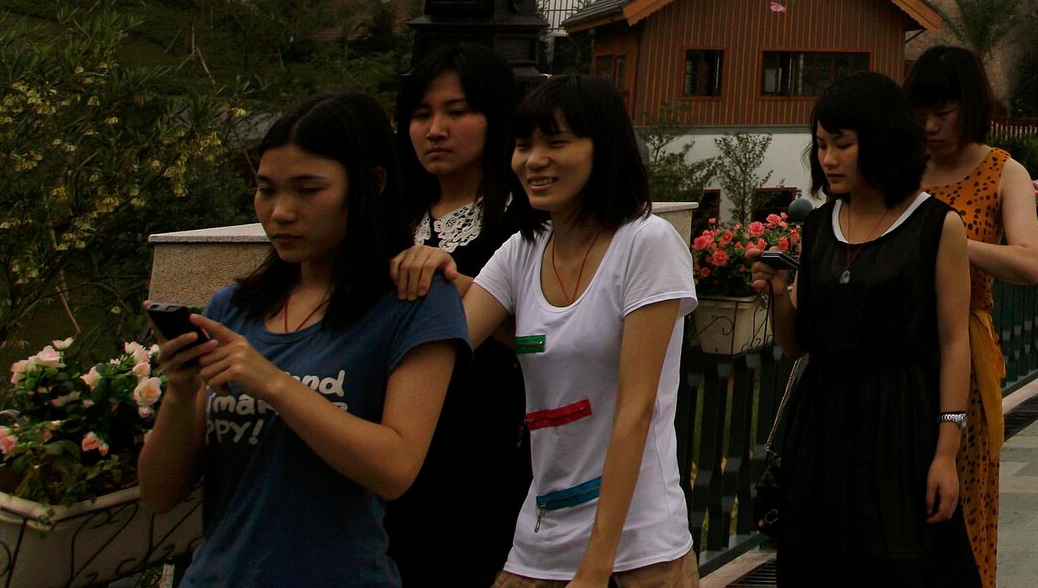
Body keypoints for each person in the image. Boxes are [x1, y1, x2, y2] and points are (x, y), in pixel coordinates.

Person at [137, 93, 464, 588]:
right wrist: (181, 393)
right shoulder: (233, 308)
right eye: (266, 189)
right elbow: (160, 493)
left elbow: (395, 468)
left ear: (370, 185)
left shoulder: (413, 303)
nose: (281, 212)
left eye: (308, 190)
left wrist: (275, 384)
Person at [448, 74, 700, 588]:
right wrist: (436, 279)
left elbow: (635, 407)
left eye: (556, 143)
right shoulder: (523, 249)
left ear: (602, 148)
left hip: (636, 548)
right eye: (523, 146)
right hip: (541, 537)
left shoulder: (646, 243)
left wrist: (595, 565)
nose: (533, 160)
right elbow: (449, 341)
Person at [753, 72, 981, 588]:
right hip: (822, 426)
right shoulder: (818, 226)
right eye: (822, 146)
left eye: (843, 145)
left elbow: (953, 343)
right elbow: (797, 345)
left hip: (902, 424)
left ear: (879, 142)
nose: (829, 159)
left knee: (902, 563)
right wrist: (779, 296)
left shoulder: (936, 226)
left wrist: (946, 454)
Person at [384, 43, 532, 587]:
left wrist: (468, 292)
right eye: (421, 115)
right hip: (392, 460)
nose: (435, 129)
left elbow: (550, 337)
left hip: (489, 458)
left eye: (457, 111)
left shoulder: (526, 227)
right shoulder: (389, 223)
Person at [909, 46, 1038, 588]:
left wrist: (950, 243)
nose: (931, 125)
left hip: (963, 356)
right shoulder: (901, 171)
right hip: (896, 350)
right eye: (921, 113)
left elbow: (1029, 262)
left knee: (962, 505)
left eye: (944, 111)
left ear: (970, 107)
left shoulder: (1002, 171)